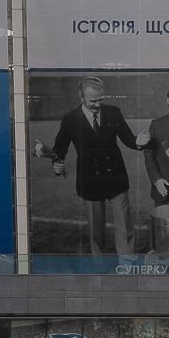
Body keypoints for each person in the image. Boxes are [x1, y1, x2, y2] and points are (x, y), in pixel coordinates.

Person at [38, 77, 147, 254]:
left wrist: (139, 142)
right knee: (96, 232)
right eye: (92, 101)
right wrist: (57, 164)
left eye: (100, 99)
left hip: (116, 178)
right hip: (90, 180)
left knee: (125, 228)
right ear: (81, 97)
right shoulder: (70, 119)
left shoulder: (113, 112)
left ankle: (127, 267)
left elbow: (129, 139)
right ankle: (100, 269)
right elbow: (60, 149)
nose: (97, 104)